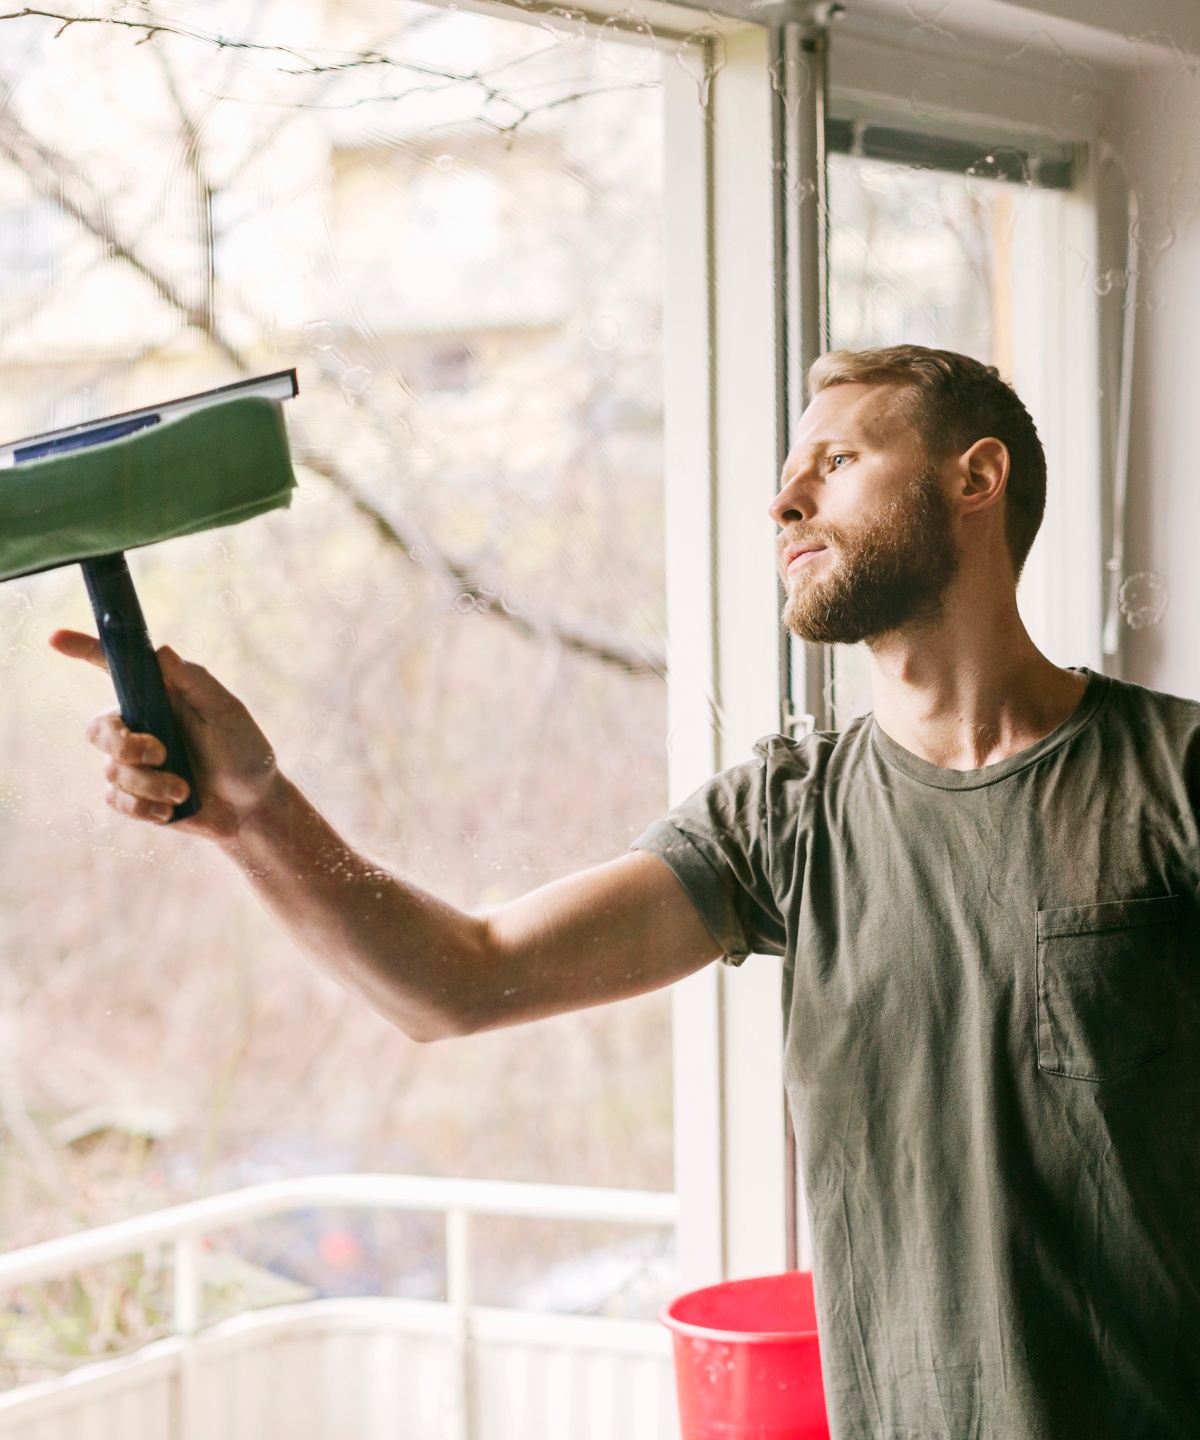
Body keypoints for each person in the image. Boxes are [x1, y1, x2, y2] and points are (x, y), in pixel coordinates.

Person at [52, 345, 1199, 1439]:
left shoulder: (1174, 780)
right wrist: (254, 813)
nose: (785, 503)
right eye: (788, 476)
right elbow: (462, 979)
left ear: (977, 478)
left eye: (837, 463)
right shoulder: (784, 818)